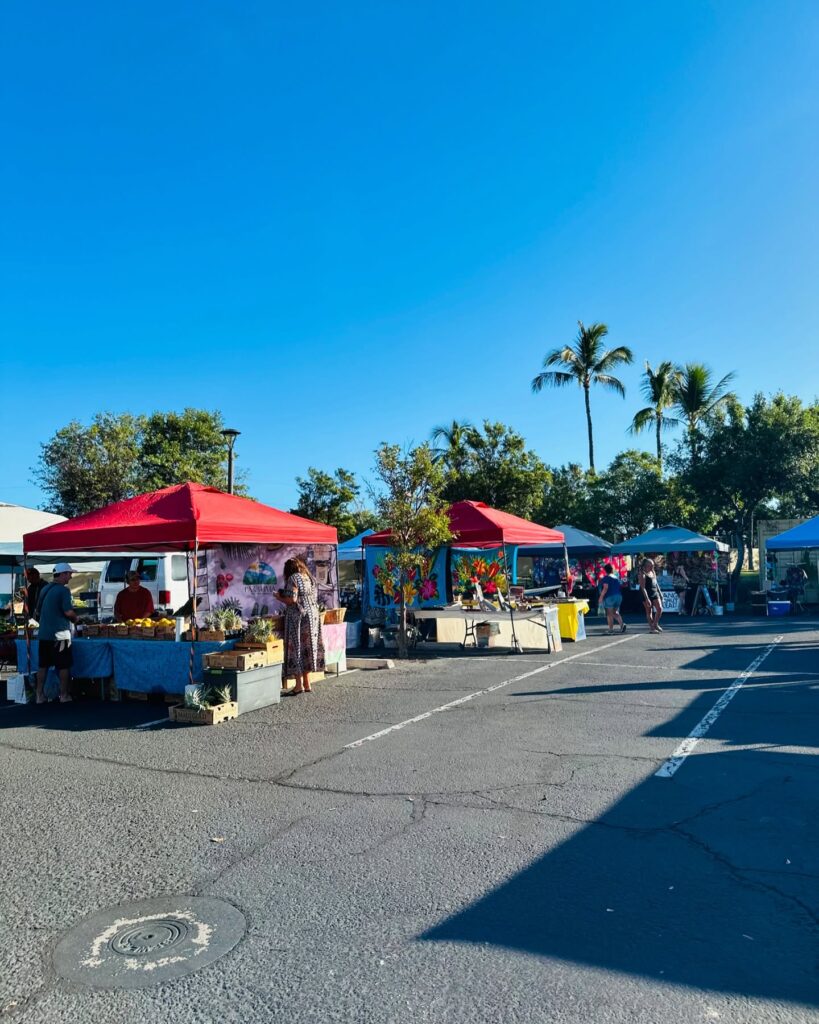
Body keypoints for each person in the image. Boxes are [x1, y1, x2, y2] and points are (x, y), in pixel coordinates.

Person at [278, 557, 325, 694]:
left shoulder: (293, 578)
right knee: (308, 648)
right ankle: (307, 683)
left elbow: (292, 599)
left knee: (296, 647)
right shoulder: (308, 577)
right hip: (313, 614)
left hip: (298, 616)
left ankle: (298, 685)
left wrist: (279, 597)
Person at [34, 562, 79, 704]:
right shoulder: (64, 590)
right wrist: (76, 619)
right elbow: (68, 612)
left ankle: (39, 695)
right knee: (64, 665)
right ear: (63, 574)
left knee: (43, 665)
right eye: (69, 574)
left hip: (44, 633)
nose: (70, 577)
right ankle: (64, 695)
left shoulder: (45, 588)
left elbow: (38, 611)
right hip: (60, 634)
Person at [598, 564, 626, 634]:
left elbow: (605, 588)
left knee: (609, 614)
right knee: (614, 612)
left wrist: (601, 597)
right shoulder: (616, 578)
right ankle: (622, 625)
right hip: (619, 596)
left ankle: (611, 630)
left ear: (605, 570)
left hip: (610, 597)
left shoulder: (606, 578)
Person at [639, 557, 663, 633]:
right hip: (646, 594)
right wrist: (647, 599)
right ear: (646, 566)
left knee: (660, 609)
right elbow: (643, 588)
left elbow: (656, 583)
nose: (652, 567)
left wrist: (660, 593)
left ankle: (655, 624)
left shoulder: (653, 572)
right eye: (651, 565)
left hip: (654, 592)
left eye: (653, 565)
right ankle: (652, 628)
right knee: (649, 611)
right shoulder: (642, 574)